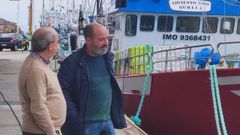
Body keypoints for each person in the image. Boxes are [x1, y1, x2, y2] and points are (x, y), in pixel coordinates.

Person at [58, 22, 127, 135]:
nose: (106, 43)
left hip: (107, 121)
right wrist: (75, 118)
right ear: (89, 41)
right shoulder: (71, 63)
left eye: (107, 39)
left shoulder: (107, 58)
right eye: (101, 39)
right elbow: (63, 92)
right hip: (85, 124)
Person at [18, 27, 66, 135]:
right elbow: (38, 107)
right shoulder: (36, 70)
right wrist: (51, 131)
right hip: (41, 132)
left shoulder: (39, 63)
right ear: (50, 46)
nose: (58, 46)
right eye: (57, 42)